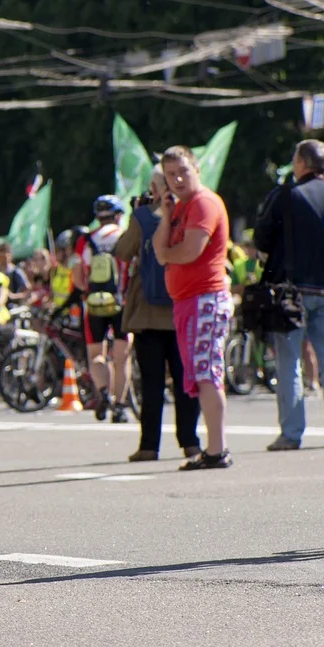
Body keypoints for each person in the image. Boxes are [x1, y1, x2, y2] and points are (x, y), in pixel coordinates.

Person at [153, 146, 233, 470]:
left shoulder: (203, 203)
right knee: (201, 374)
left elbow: (188, 251)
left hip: (206, 299)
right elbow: (159, 250)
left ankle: (217, 450)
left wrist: (168, 254)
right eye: (170, 174)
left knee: (207, 373)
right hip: (188, 302)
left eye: (183, 170)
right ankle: (214, 448)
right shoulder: (181, 208)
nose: (178, 179)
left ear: (196, 168)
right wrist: (167, 213)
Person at [115, 168, 201, 461]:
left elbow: (123, 251)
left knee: (151, 383)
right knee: (186, 381)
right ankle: (190, 442)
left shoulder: (143, 216)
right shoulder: (191, 212)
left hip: (148, 314)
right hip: (183, 307)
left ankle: (149, 446)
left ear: (154, 186)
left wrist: (137, 214)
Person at [253, 139, 324, 451]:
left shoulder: (287, 195)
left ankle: (292, 433)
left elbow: (262, 238)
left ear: (301, 164)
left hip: (290, 294)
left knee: (289, 362)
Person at [72, 195, 133, 423]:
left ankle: (104, 392)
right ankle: (119, 406)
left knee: (96, 354)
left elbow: (77, 278)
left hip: (94, 304)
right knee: (121, 356)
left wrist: (88, 290)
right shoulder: (124, 236)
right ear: (118, 215)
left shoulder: (86, 240)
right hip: (121, 303)